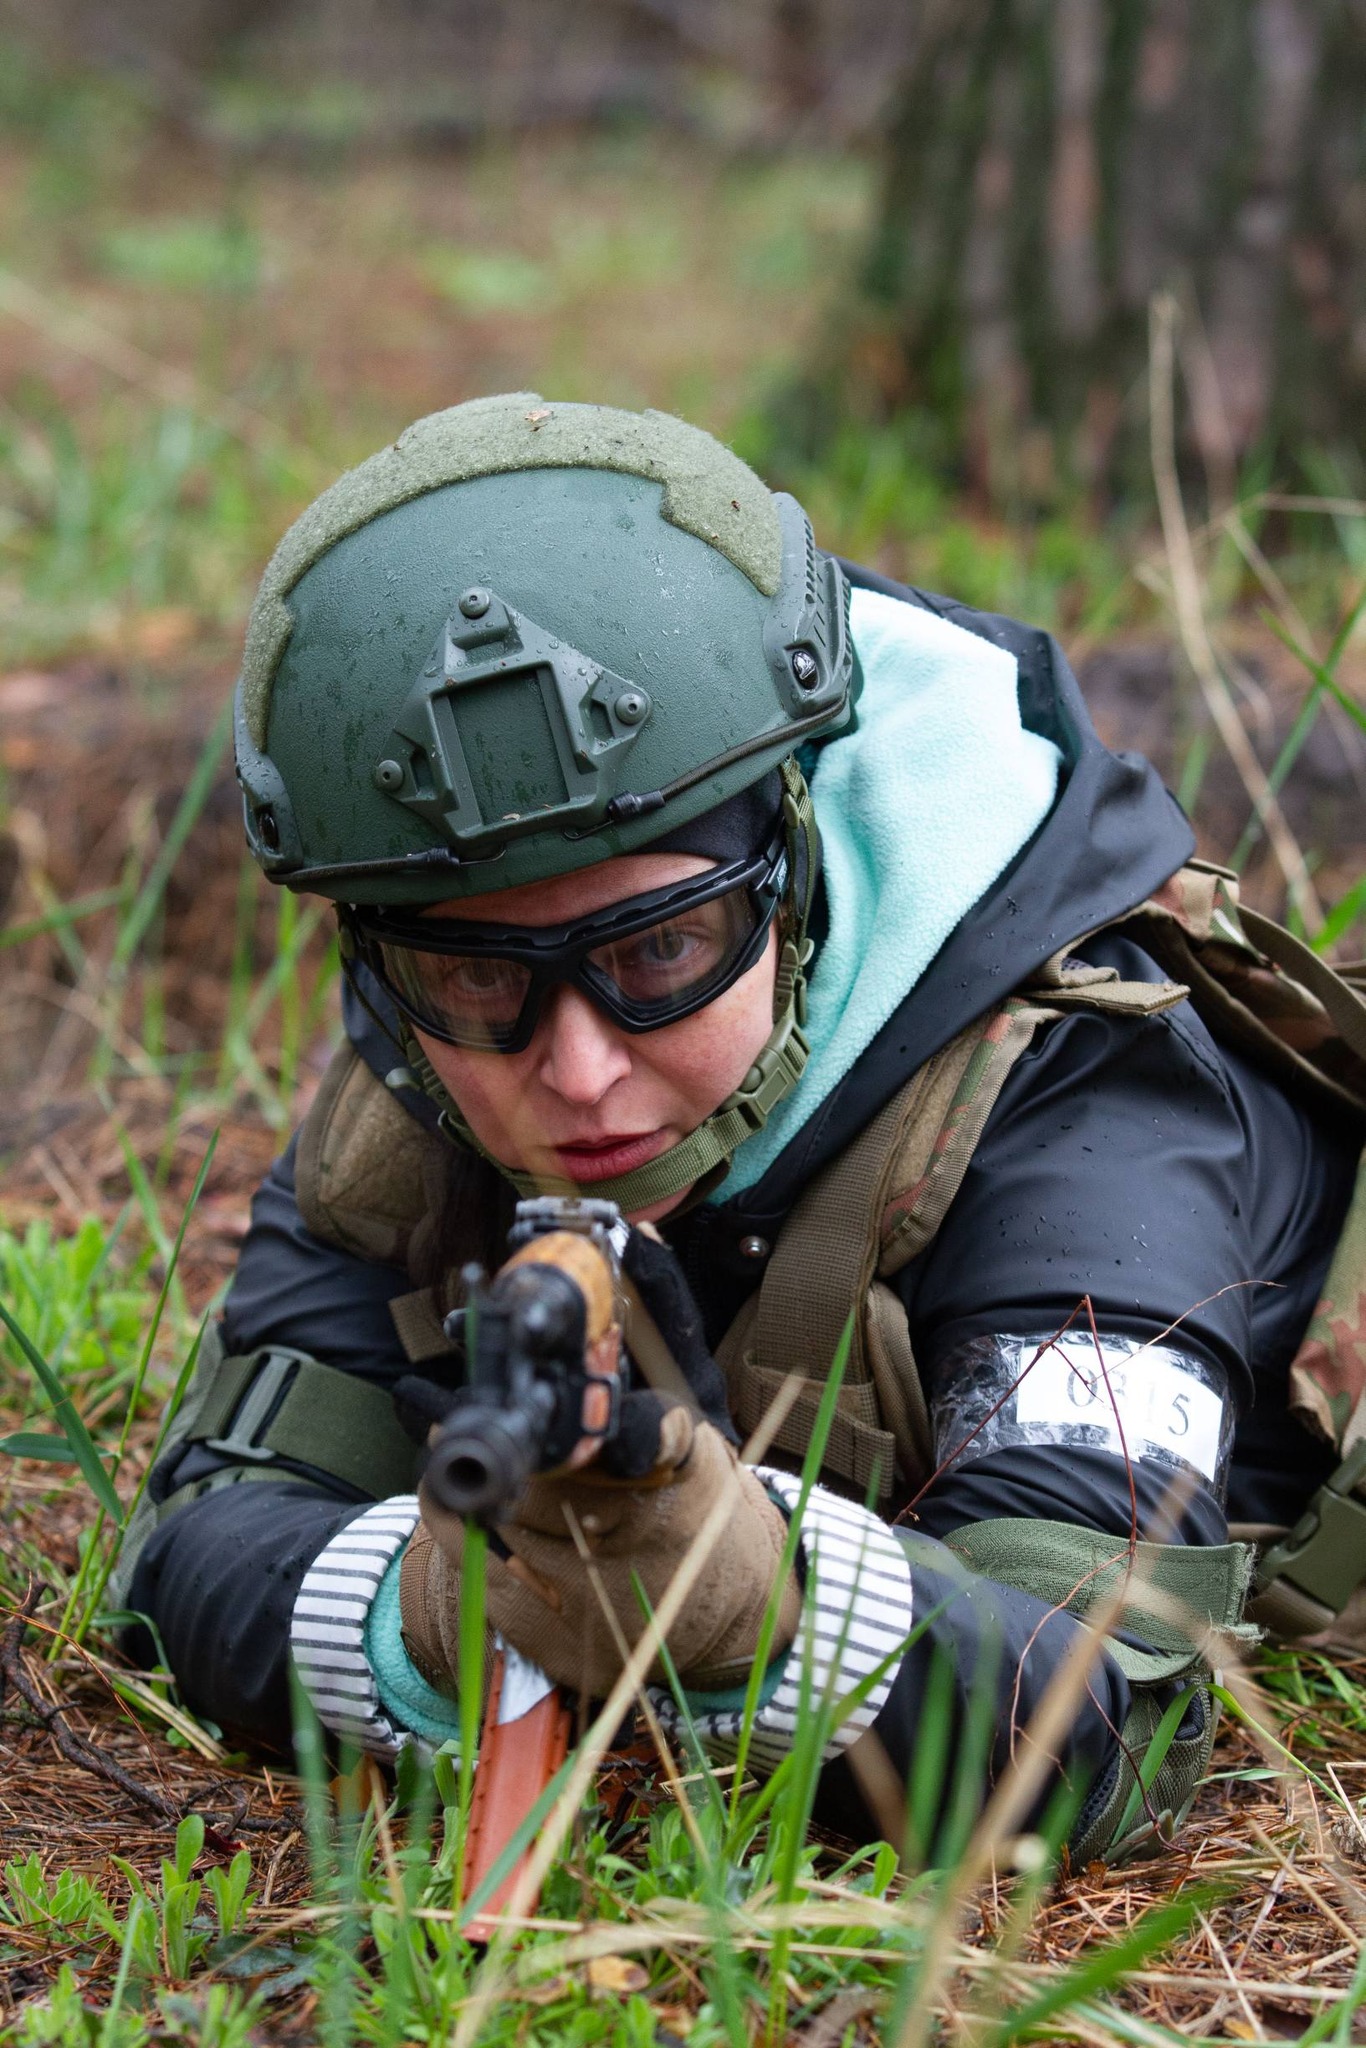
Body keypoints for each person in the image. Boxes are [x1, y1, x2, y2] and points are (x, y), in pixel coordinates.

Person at [115, 394, 1366, 1866]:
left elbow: (1098, 1730)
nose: (573, 1072)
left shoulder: (1091, 1101)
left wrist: (745, 1606)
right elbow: (195, 1547)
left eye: (658, 952)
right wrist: (426, 1608)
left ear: (790, 861)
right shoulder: (423, 1060)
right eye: (472, 975)